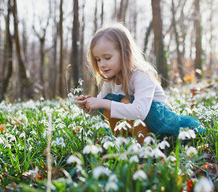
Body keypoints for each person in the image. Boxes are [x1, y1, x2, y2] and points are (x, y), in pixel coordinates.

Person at [75, 22, 205, 142]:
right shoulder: (110, 80)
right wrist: (89, 106)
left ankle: (148, 145)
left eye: (107, 58)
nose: (102, 64)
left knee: (120, 101)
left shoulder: (141, 74)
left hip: (161, 121)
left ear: (125, 52)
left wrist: (102, 102)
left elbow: (140, 112)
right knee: (113, 101)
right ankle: (129, 143)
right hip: (138, 123)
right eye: (98, 60)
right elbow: (103, 108)